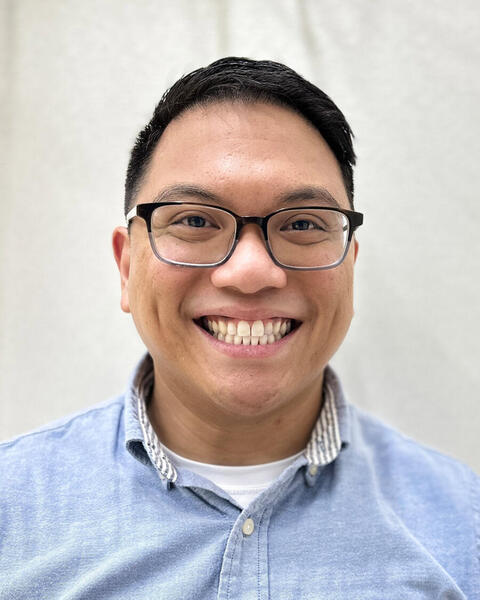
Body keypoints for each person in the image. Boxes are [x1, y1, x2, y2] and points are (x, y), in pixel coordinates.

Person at [1, 57, 478, 599]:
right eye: (195, 220)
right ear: (127, 267)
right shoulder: (11, 510)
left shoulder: (465, 529)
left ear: (350, 266)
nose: (251, 272)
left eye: (303, 223)